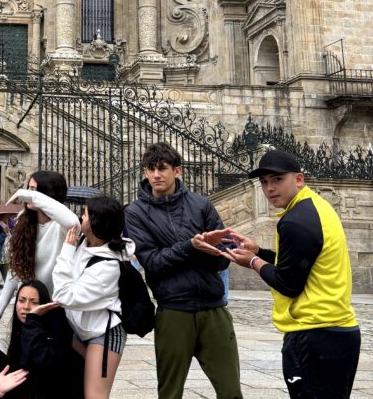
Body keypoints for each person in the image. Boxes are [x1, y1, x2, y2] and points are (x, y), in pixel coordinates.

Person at [219, 149, 360, 398]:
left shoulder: (295, 220)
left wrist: (252, 261)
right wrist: (259, 252)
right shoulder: (317, 207)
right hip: (339, 331)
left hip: (313, 335)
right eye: (264, 182)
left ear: (299, 179)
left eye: (277, 179)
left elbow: (288, 283)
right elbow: (300, 263)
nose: (270, 188)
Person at [124, 142, 241, 399]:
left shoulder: (201, 205)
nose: (156, 175)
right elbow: (152, 262)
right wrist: (192, 246)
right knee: (170, 393)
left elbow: (223, 258)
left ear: (177, 171)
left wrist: (216, 251)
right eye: (150, 169)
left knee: (231, 392)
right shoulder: (135, 213)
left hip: (214, 309)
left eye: (162, 168)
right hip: (174, 310)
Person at [53, 196, 134, 398]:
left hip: (103, 333)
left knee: (94, 395)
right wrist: (29, 195)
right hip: (78, 328)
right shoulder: (85, 241)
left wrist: (66, 250)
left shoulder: (109, 266)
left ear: (97, 222)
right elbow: (59, 214)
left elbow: (64, 295)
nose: (80, 217)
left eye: (86, 214)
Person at [0, 171, 79, 318]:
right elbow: (17, 268)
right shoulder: (24, 222)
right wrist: (0, 306)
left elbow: (73, 222)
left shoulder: (61, 226)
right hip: (28, 304)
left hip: (55, 305)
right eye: (29, 189)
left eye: (34, 189)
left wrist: (32, 196)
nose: (27, 194)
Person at [5, 280, 84, 399]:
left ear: (43, 306)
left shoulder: (56, 331)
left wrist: (32, 319)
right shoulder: (20, 330)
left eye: (34, 302)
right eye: (21, 300)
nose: (26, 307)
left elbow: (33, 361)